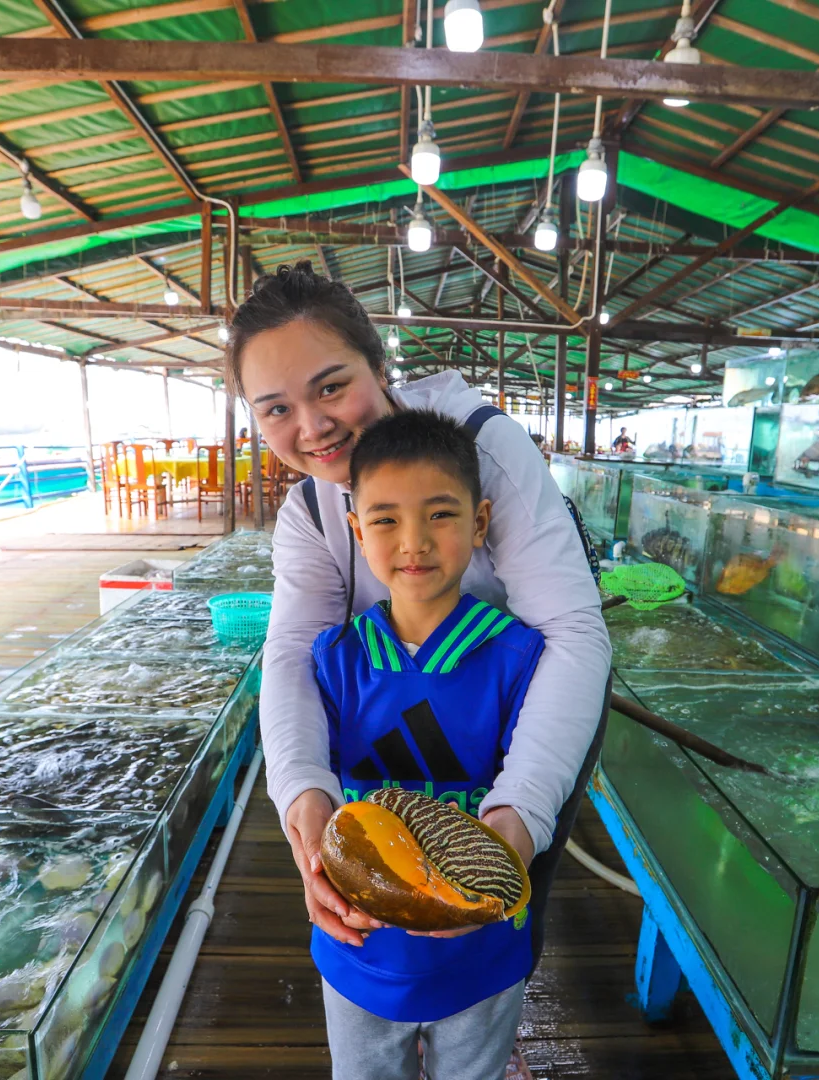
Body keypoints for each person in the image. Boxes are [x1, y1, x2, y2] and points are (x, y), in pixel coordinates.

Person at [226, 262, 611, 1074]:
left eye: (332, 387)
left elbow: (574, 632)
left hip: (514, 703)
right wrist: (302, 793)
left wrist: (519, 814)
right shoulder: (308, 508)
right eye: (277, 410)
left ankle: (484, 1031)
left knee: (501, 907)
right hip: (393, 715)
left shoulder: (482, 449)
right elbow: (292, 651)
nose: (313, 426)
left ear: (379, 368)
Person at [311, 409, 545, 1080]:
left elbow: (531, 790)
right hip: (359, 951)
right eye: (384, 520)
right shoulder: (337, 657)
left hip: (482, 953)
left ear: (479, 524)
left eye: (440, 515)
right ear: (357, 532)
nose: (413, 541)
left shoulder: (518, 656)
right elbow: (316, 784)